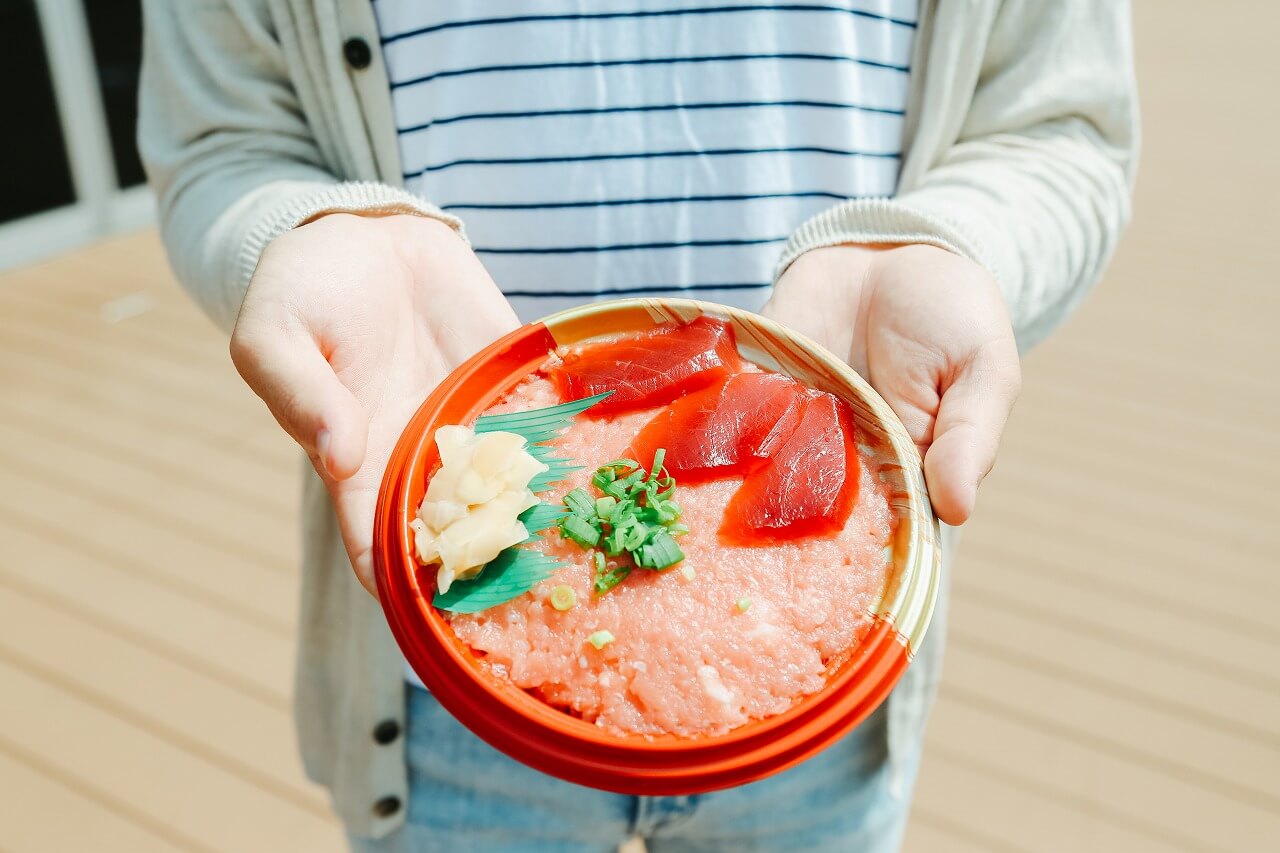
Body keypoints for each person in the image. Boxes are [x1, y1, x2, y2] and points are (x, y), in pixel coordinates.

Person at [139, 2, 1137, 850]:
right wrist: (303, 229)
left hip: (817, 687)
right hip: (436, 669)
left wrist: (947, 246)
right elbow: (220, 137)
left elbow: (1059, 128)